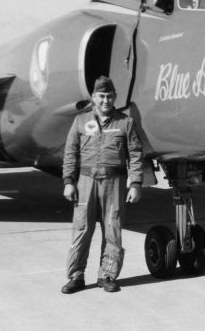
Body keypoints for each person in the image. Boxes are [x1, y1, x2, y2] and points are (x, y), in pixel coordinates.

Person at [61, 76, 144, 294]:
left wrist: (135, 183)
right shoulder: (80, 122)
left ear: (114, 97)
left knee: (112, 230)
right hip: (86, 182)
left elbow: (135, 154)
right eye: (101, 96)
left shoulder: (124, 123)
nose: (105, 100)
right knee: (81, 229)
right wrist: (69, 182)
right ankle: (76, 276)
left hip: (114, 183)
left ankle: (107, 275)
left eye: (109, 96)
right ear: (94, 97)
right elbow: (70, 153)